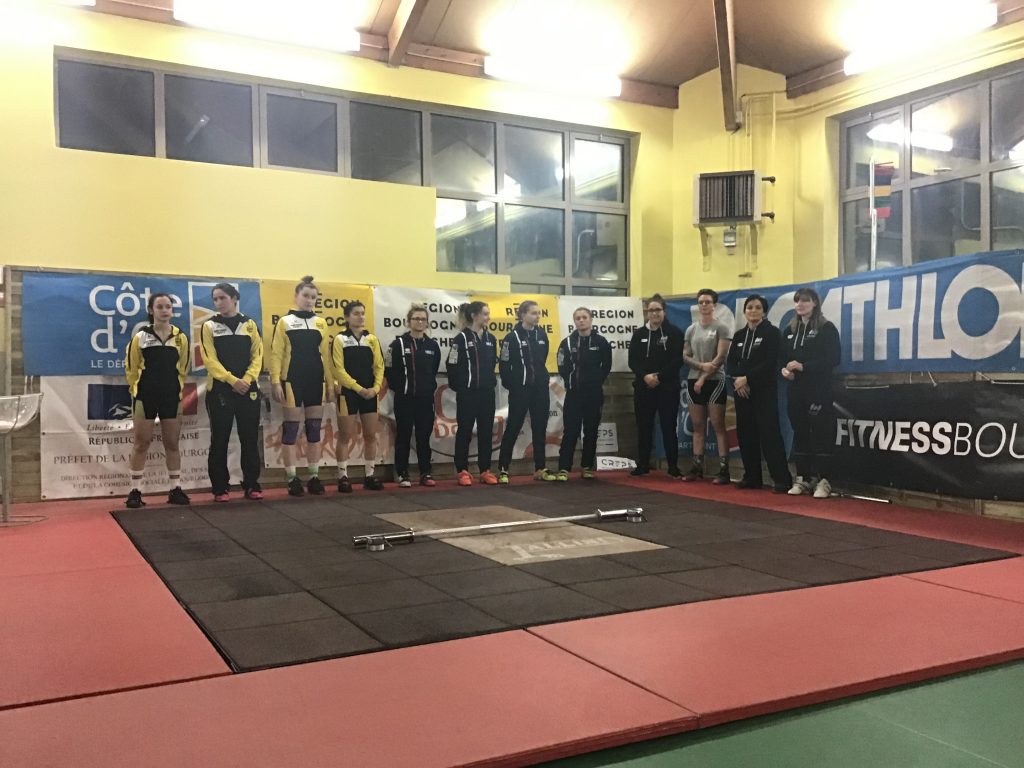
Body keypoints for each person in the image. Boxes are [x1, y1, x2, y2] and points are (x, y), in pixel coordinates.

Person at [123, 292, 191, 508]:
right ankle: (135, 491)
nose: (164, 310)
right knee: (141, 442)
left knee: (172, 443)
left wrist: (176, 389)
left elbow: (183, 367)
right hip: (145, 396)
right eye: (160, 307)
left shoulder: (181, 338)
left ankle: (175, 488)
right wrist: (137, 390)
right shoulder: (140, 337)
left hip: (171, 397)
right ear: (151, 310)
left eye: (168, 306)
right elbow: (131, 368)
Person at [269, 276, 333, 497]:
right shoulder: (285, 322)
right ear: (296, 296)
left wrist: (330, 384)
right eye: (305, 295)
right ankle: (291, 478)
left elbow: (326, 356)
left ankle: (314, 477)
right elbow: (276, 354)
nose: (309, 300)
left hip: (316, 381)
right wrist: (275, 381)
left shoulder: (321, 323)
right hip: (292, 381)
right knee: (291, 430)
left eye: (313, 297)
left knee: (314, 429)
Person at [200, 283, 264, 502]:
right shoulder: (209, 326)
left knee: (250, 438)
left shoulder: (250, 325)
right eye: (215, 299)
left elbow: (257, 356)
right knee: (220, 439)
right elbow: (209, 360)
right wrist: (231, 380)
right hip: (220, 390)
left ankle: (251, 484)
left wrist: (247, 379)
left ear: (235, 298)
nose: (218, 303)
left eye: (222, 298)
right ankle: (220, 488)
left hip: (248, 388)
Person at [726, 294, 792, 493]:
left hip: (764, 391)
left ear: (764, 311)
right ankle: (752, 476)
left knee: (770, 434)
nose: (753, 311)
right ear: (744, 312)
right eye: (749, 307)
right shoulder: (739, 335)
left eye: (757, 307)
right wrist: (738, 380)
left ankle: (781, 479)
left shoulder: (772, 333)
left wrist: (747, 378)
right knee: (746, 434)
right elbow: (731, 363)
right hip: (742, 392)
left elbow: (770, 362)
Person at [779, 287, 841, 499]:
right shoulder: (789, 330)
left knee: (821, 433)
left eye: (805, 301)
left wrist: (804, 367)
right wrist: (785, 370)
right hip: (796, 390)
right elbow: (782, 358)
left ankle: (824, 480)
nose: (800, 305)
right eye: (797, 301)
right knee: (800, 432)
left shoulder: (826, 328)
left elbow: (833, 359)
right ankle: (803, 478)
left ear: (815, 303)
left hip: (819, 390)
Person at [498, 300, 555, 483]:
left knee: (540, 428)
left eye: (539, 313)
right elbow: (504, 364)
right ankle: (503, 469)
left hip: (539, 389)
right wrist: (514, 385)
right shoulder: (511, 337)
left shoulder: (542, 334)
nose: (537, 316)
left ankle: (540, 468)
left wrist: (540, 380)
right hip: (520, 390)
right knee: (513, 427)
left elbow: (542, 358)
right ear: (522, 315)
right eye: (533, 313)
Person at [628, 293, 684, 477]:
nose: (654, 313)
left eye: (657, 310)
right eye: (651, 310)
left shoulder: (674, 333)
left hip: (667, 388)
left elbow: (678, 360)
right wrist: (645, 377)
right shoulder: (639, 334)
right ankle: (643, 465)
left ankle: (673, 466)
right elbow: (632, 361)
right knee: (644, 427)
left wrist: (659, 377)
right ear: (647, 313)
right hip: (643, 388)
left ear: (664, 311)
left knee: (668, 427)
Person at [385, 303, 441, 488]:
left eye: (423, 319)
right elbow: (389, 370)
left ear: (427, 322)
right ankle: (402, 473)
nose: (420, 322)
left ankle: (425, 473)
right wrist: (401, 388)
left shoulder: (432, 346)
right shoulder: (398, 344)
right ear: (408, 322)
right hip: (405, 398)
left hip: (425, 399)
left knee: (424, 437)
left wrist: (427, 388)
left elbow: (433, 369)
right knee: (403, 435)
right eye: (416, 319)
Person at [681, 289, 733, 484]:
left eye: (708, 302)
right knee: (698, 425)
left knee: (718, 424)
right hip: (694, 380)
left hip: (714, 381)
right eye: (701, 302)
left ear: (714, 305)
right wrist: (700, 367)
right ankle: (697, 466)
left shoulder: (722, 327)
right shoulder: (691, 329)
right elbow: (685, 356)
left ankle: (724, 469)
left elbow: (720, 357)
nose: (704, 305)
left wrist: (704, 377)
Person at [333, 300, 385, 492]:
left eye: (362, 313)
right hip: (349, 393)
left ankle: (369, 475)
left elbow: (379, 366)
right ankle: (343, 477)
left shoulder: (372, 339)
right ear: (347, 317)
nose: (360, 317)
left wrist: (375, 388)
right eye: (356, 313)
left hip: (369, 394)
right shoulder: (339, 339)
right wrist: (358, 388)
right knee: (345, 435)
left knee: (370, 435)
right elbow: (338, 369)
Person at [447, 301, 499, 486]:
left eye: (488, 314)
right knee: (465, 432)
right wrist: (461, 387)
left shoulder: (491, 339)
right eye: (485, 314)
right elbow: (452, 364)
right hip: (467, 394)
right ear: (474, 316)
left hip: (487, 394)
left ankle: (485, 470)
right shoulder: (460, 339)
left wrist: (489, 382)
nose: (488, 317)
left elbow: (492, 364)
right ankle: (462, 470)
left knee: (486, 432)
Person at [556, 307, 612, 480]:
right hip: (574, 394)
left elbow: (606, 366)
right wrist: (571, 382)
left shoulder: (601, 342)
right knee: (571, 431)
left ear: (591, 319)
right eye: (578, 318)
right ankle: (564, 468)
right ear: (574, 321)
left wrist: (595, 381)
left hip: (594, 394)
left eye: (584, 317)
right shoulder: (567, 342)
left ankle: (587, 466)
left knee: (591, 430)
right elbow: (562, 366)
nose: (581, 320)